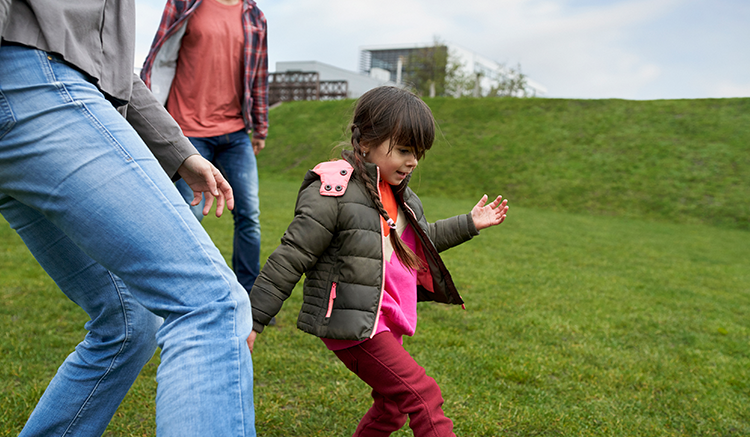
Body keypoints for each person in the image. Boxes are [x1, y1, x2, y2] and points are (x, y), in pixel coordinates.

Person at [0, 1, 255, 436]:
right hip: (40, 87)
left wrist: (178, 152)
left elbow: (105, 60)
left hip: (41, 89)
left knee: (130, 321)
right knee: (210, 303)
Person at [247, 86, 509, 436]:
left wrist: (469, 223)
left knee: (392, 407)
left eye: (418, 153)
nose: (413, 162)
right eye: (404, 150)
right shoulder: (334, 191)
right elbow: (292, 256)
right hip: (355, 325)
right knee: (424, 395)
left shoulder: (402, 196)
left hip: (382, 319)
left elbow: (418, 243)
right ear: (366, 142)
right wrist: (254, 319)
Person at [140, 0, 268, 298]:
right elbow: (157, 56)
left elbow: (259, 78)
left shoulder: (254, 16)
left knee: (249, 216)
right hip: (188, 132)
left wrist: (260, 127)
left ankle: (250, 295)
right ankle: (182, 292)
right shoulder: (184, 3)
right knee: (189, 216)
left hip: (235, 132)